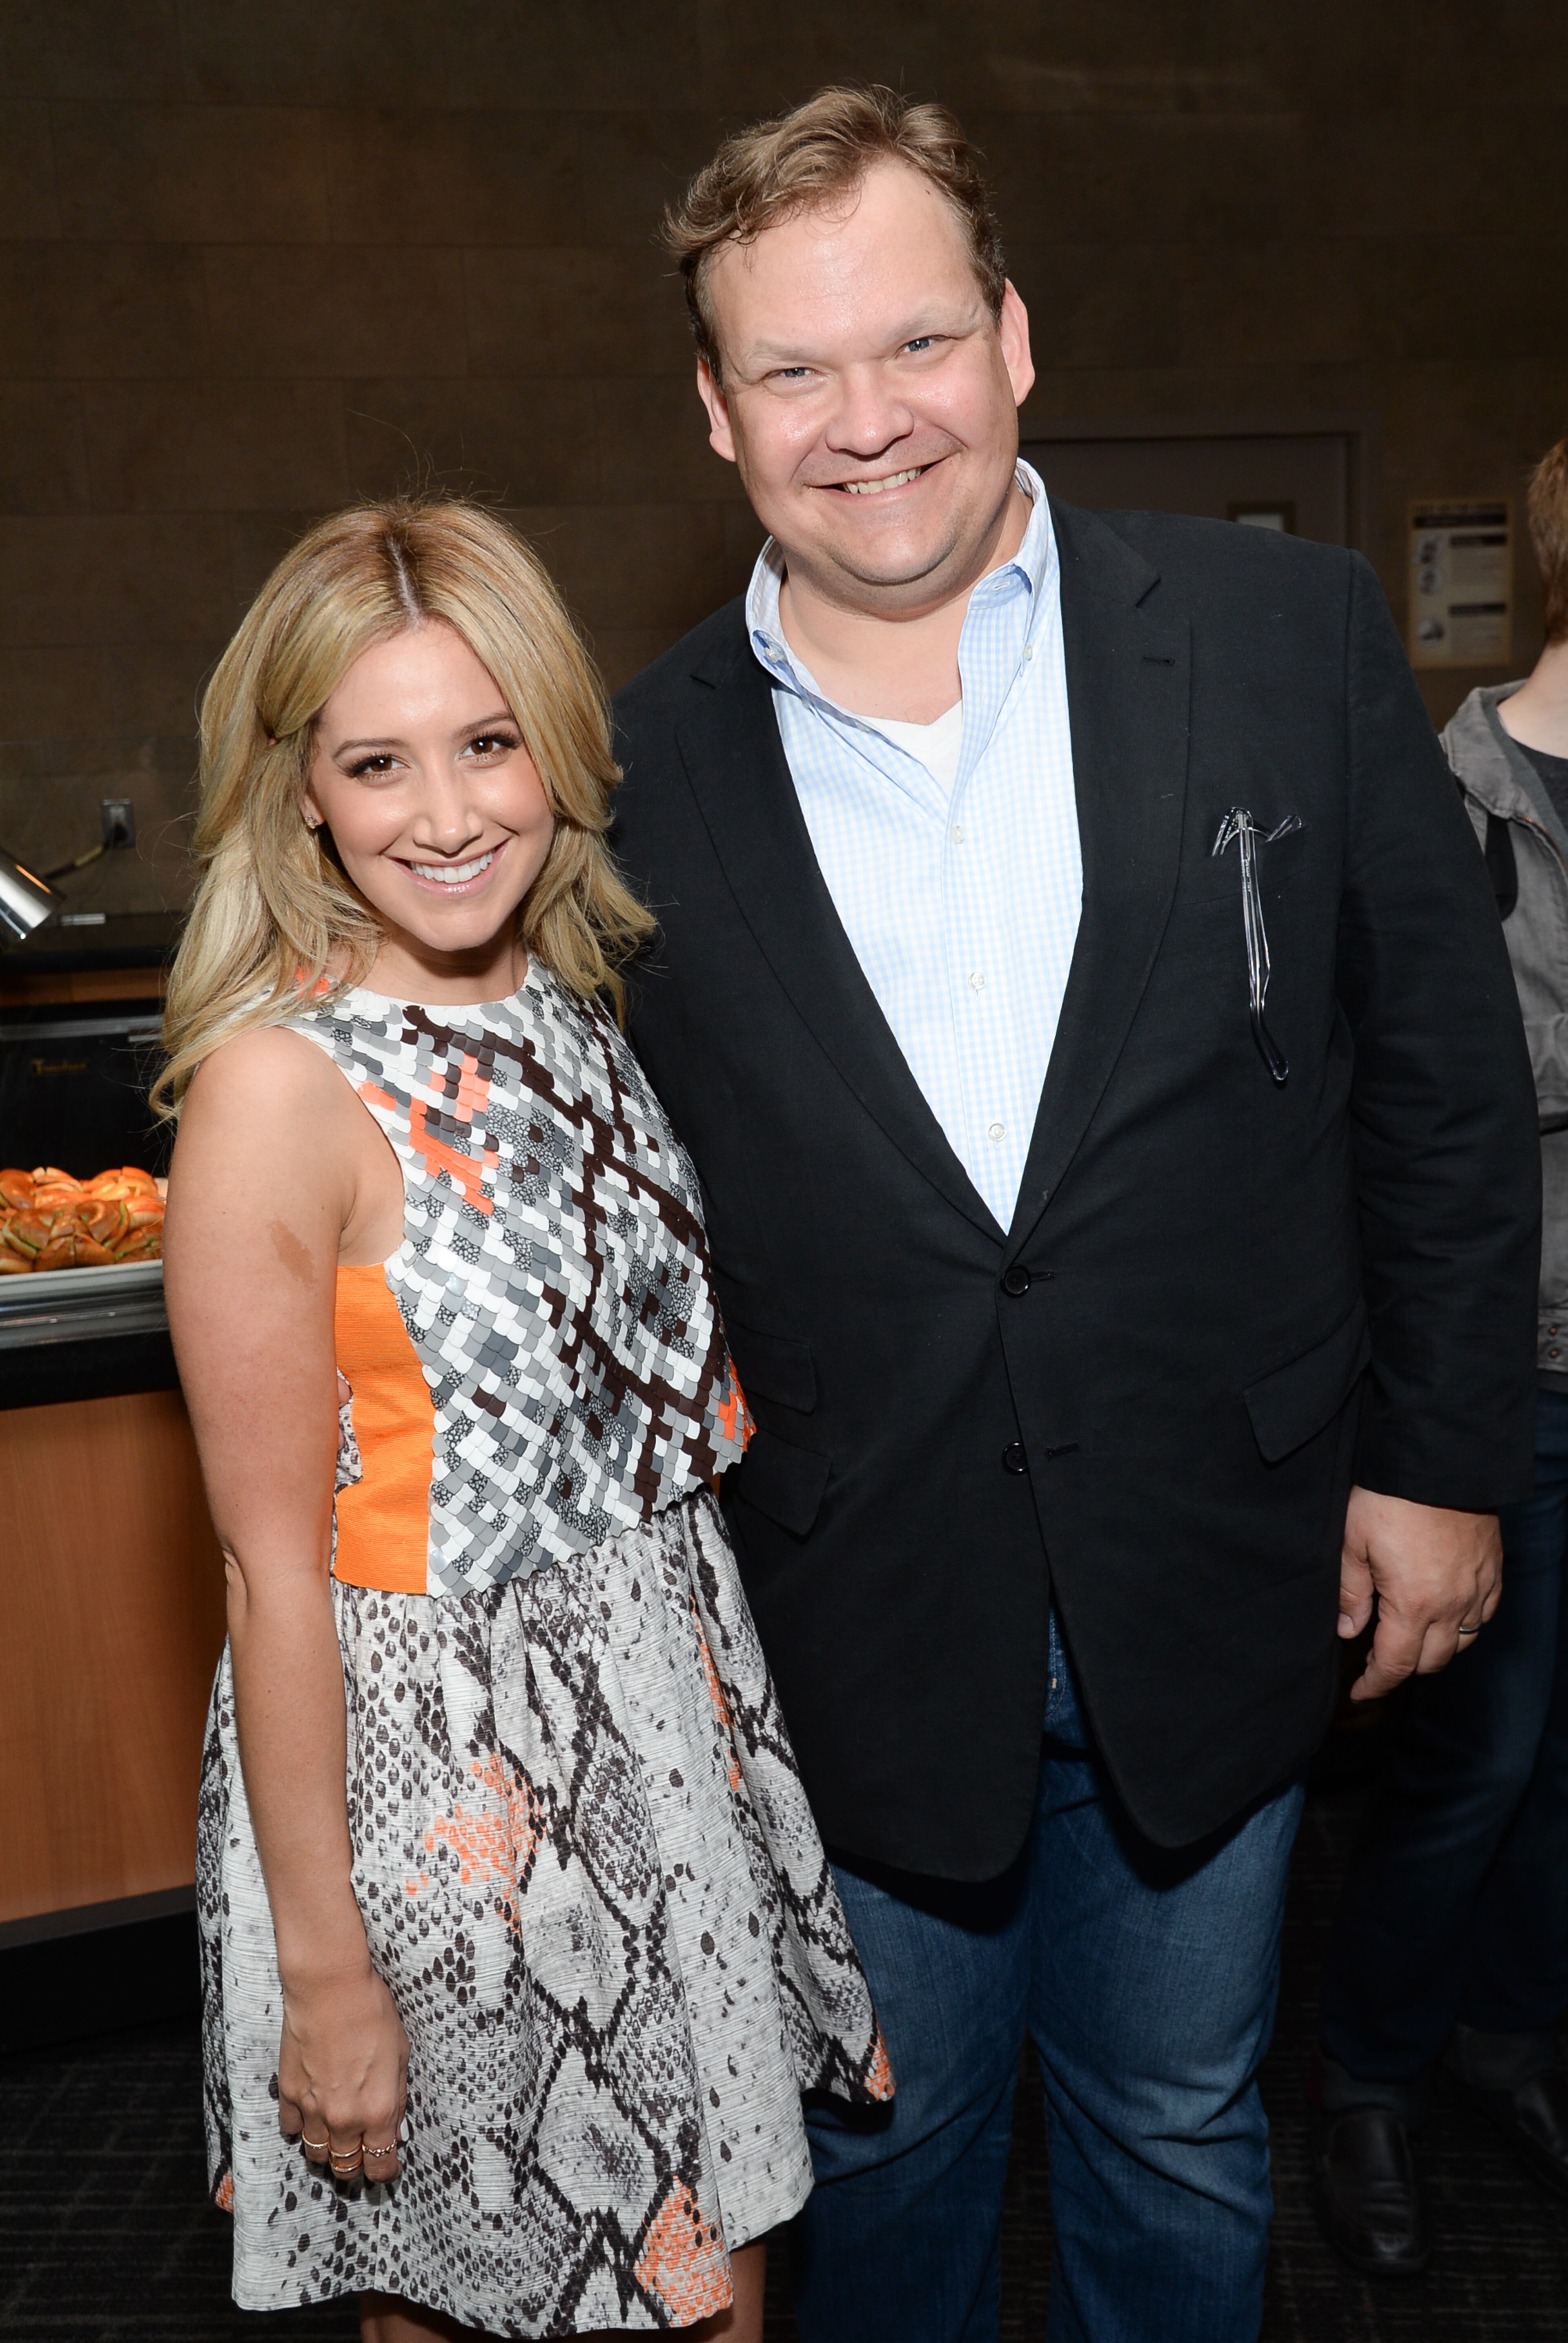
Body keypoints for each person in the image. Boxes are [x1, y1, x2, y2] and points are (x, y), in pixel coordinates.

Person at [608, 85, 1540, 2343]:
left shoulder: (1283, 633)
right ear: (719, 413)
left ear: (1015, 339)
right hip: (846, 1610)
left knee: (1181, 2129)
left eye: (914, 341)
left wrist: (1438, 1462)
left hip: (1226, 1572)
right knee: (885, 2156)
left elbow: (1443, 1083)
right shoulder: (623, 768)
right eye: (798, 372)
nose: (869, 421)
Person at [160, 499, 889, 2343]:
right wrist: (328, 1964)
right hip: (440, 1785)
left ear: (559, 744)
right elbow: (267, 1569)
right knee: (480, 2303)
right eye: (377, 761)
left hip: (661, 1730)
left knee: (716, 2291)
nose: (448, 810)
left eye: (488, 742)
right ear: (300, 790)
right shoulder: (276, 1088)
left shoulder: (573, 1000)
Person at [1313, 434, 1568, 2275]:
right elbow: (1440, 1098)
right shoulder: (1459, 794)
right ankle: (1371, 2079)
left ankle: (1507, 2033)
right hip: (1520, 1371)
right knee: (1472, 1757)